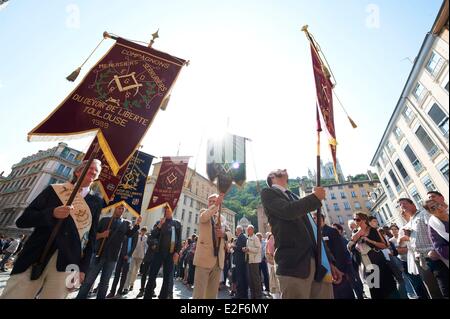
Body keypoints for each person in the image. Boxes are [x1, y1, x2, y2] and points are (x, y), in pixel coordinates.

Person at [0, 160, 103, 299]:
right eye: (89, 168)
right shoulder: (54, 190)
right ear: (77, 172)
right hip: (35, 256)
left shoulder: (96, 202)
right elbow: (23, 220)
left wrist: (83, 269)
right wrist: (52, 213)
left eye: (96, 170)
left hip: (69, 264)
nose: (93, 171)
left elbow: (91, 237)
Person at [260, 169, 342, 299]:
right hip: (294, 264)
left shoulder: (295, 197)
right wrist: (315, 197)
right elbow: (288, 211)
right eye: (280, 169)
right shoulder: (268, 193)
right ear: (271, 176)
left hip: (319, 263)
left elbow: (314, 232)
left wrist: (329, 261)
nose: (285, 169)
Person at [77, 205, 141, 299]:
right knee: (88, 281)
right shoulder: (104, 220)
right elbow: (93, 236)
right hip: (99, 254)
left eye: (123, 209)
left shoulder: (126, 223)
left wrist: (137, 224)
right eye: (119, 208)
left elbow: (130, 234)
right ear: (115, 208)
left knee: (105, 283)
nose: (121, 210)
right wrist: (102, 235)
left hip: (113, 257)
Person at [398, 198, 445, 298]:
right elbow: (405, 243)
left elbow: (436, 229)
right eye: (400, 205)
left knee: (443, 287)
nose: (402, 206)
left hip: (432, 256)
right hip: (420, 259)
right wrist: (406, 236)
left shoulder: (424, 214)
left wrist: (436, 249)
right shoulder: (409, 221)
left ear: (413, 204)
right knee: (432, 290)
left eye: (404, 204)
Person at [350, 212, 399, 299]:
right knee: (375, 290)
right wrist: (355, 240)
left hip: (379, 262)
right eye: (354, 220)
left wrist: (369, 240)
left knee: (388, 287)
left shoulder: (373, 230)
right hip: (368, 265)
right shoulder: (355, 232)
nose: (356, 221)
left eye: (358, 219)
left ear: (364, 220)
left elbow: (384, 245)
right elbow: (350, 247)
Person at [193, 193, 233, 299]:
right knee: (199, 294)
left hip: (218, 260)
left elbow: (230, 234)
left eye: (214, 201)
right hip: (203, 259)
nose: (211, 203)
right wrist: (215, 205)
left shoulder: (223, 218)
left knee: (212, 294)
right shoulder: (203, 212)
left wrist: (223, 234)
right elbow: (203, 218)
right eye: (210, 201)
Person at [143, 205, 182, 299]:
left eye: (169, 210)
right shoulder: (159, 222)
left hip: (170, 253)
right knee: (152, 275)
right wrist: (159, 226)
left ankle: (163, 296)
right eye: (166, 210)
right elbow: (152, 236)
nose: (167, 212)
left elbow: (179, 239)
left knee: (167, 277)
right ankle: (147, 296)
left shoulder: (177, 223)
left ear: (172, 211)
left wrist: (177, 252)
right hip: (158, 252)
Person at [314, 213, 353, 299]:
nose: (313, 220)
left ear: (321, 219)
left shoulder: (331, 231)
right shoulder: (316, 234)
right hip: (329, 272)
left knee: (345, 293)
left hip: (339, 270)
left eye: (315, 218)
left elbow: (340, 252)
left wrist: (341, 270)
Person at [423, 199, 449, 298]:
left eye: (437, 204)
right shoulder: (433, 225)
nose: (438, 208)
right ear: (430, 212)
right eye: (433, 208)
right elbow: (441, 249)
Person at [106, 223, 139, 298]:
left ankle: (119, 292)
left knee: (124, 275)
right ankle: (112, 292)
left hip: (128, 257)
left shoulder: (136, 232)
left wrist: (129, 255)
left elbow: (134, 245)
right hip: (120, 255)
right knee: (116, 274)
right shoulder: (126, 230)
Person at [124, 226, 148, 293]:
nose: (143, 232)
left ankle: (132, 284)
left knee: (136, 271)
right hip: (134, 255)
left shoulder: (146, 238)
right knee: (130, 270)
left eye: (144, 231)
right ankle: (126, 286)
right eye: (142, 231)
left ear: (145, 232)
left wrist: (145, 256)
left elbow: (146, 247)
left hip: (141, 256)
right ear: (141, 231)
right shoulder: (137, 236)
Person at [244, 225, 263, 299]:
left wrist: (248, 249)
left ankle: (258, 295)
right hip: (249, 260)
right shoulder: (248, 238)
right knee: (251, 279)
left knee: (255, 279)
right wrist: (246, 249)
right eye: (247, 230)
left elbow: (258, 249)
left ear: (252, 230)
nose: (248, 231)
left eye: (249, 230)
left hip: (254, 261)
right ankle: (253, 295)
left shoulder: (255, 238)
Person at [232, 225, 248, 299]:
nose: (236, 231)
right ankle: (242, 294)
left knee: (240, 277)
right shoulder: (242, 237)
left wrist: (233, 246)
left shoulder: (241, 237)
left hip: (240, 260)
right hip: (240, 260)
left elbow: (241, 248)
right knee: (241, 277)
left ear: (239, 230)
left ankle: (240, 294)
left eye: (236, 230)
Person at [265, 231, 280, 299]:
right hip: (274, 262)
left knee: (274, 281)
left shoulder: (272, 237)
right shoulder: (275, 236)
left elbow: (269, 251)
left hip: (273, 262)